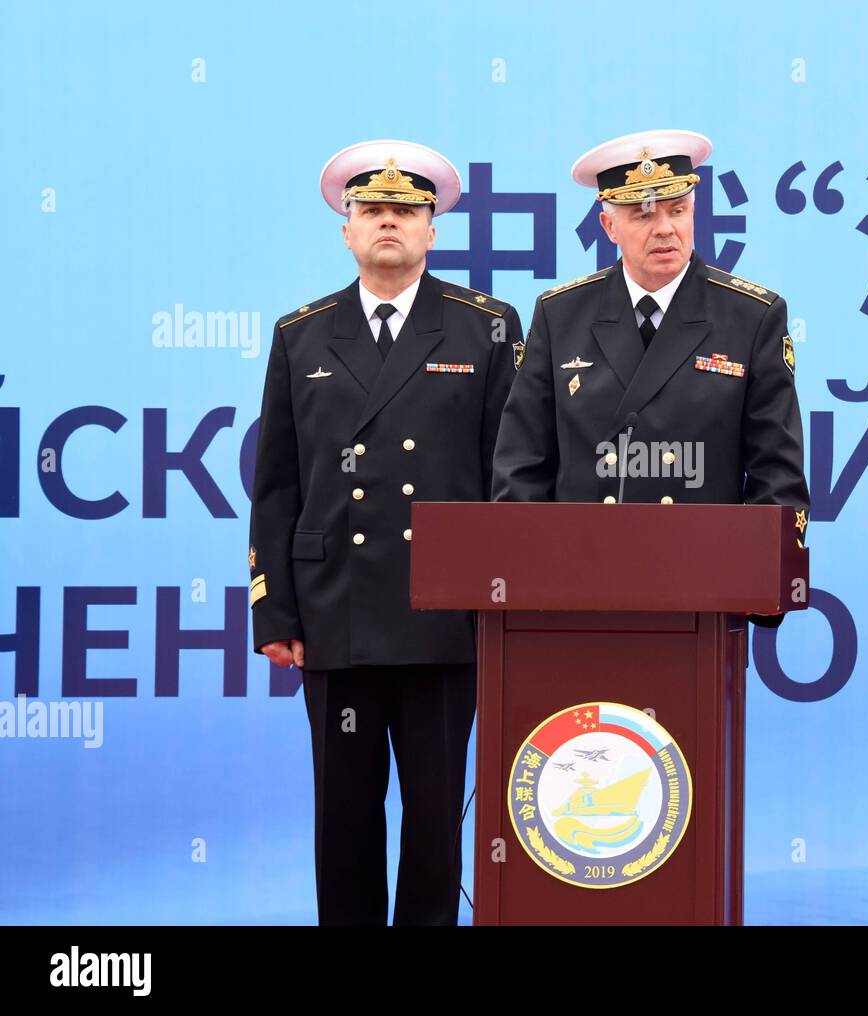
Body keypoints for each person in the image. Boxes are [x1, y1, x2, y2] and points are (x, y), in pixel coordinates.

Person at [248, 139, 521, 925]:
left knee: (437, 822)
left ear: (433, 228)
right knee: (344, 818)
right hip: (337, 612)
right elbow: (275, 486)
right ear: (347, 230)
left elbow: (510, 481)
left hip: (444, 619)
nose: (390, 222)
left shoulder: (487, 327)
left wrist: (498, 603)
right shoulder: (302, 335)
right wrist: (277, 612)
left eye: (407, 210)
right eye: (372, 211)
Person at [491, 129, 809, 576]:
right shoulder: (560, 314)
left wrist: (764, 578)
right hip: (577, 580)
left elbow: (777, 470)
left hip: (704, 580)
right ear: (609, 226)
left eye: (677, 211)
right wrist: (525, 577)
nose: (665, 229)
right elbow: (522, 462)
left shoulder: (751, 316)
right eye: (643, 215)